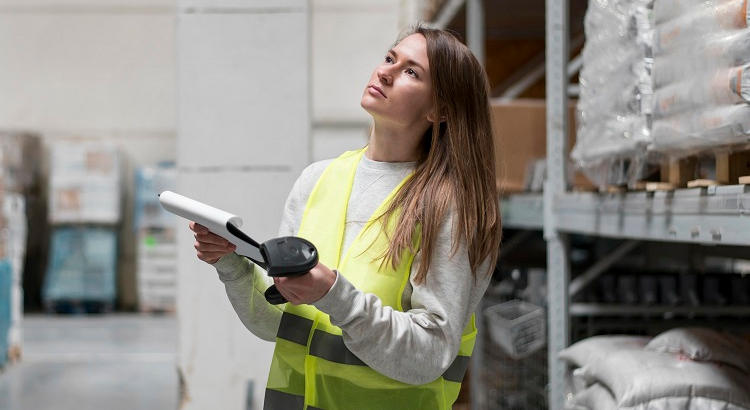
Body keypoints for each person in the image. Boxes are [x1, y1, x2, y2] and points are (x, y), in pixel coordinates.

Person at [189, 24, 501, 410]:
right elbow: (279, 324)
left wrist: (334, 296)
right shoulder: (318, 180)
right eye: (389, 58)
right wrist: (231, 263)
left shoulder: (450, 204)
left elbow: (430, 353)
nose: (384, 71)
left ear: (440, 110)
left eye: (410, 71)